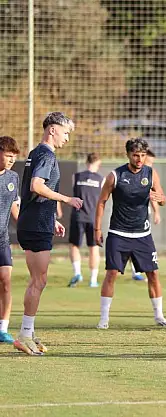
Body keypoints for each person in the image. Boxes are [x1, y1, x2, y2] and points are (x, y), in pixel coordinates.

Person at [14, 112, 83, 355]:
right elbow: (36, 186)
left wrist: (52, 219)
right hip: (35, 225)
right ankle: (24, 334)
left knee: (38, 280)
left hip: (37, 222)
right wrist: (66, 199)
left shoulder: (36, 153)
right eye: (65, 132)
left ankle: (28, 331)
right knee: (39, 280)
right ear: (52, 129)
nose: (67, 138)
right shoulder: (46, 155)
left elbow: (33, 192)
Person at [94, 138, 166, 329]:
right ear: (128, 154)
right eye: (136, 155)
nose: (139, 159)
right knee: (111, 273)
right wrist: (97, 229)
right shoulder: (115, 176)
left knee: (153, 273)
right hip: (118, 233)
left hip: (142, 234)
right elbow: (102, 202)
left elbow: (162, 199)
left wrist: (160, 198)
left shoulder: (151, 173)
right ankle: (104, 319)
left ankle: (159, 316)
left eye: (143, 155)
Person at [67, 153, 104, 288]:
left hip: (77, 217)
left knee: (74, 245)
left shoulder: (76, 177)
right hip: (94, 218)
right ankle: (93, 280)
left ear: (86, 162)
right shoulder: (101, 179)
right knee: (94, 248)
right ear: (98, 163)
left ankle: (77, 273)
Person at [0, 136, 20, 344]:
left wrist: (24, 227)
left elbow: (15, 207)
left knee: (6, 281)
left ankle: (3, 329)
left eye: (14, 156)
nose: (11, 160)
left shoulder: (13, 177)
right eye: (8, 155)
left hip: (2, 240)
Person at [131, 148, 159, 282]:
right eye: (149, 162)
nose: (150, 165)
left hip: (144, 214)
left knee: (141, 242)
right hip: (130, 215)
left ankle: (138, 270)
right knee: (132, 242)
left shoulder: (150, 174)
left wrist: (156, 212)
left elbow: (154, 195)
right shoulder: (132, 174)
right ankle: (136, 270)